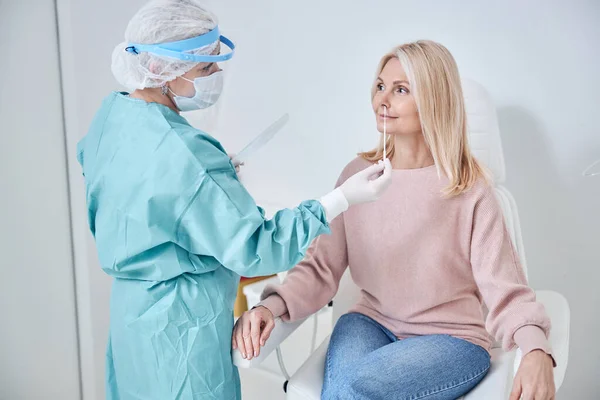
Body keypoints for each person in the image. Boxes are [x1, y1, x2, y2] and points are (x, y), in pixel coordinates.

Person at [76, 1, 392, 399]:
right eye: (205, 67)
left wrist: (204, 192)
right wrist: (340, 199)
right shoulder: (187, 155)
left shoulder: (113, 116)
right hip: (181, 331)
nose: (216, 75)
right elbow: (258, 248)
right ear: (159, 70)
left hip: (132, 319)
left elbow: (128, 195)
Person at [234, 40, 557, 400]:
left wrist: (536, 349)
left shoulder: (469, 191)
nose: (382, 100)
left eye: (400, 89)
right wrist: (269, 305)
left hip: (450, 340)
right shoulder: (358, 178)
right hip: (368, 324)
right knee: (345, 391)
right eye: (380, 86)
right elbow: (319, 269)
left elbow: (506, 290)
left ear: (434, 99)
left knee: (355, 390)